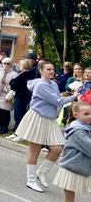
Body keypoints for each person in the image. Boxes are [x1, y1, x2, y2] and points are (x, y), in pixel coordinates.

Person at [16, 61, 78, 193]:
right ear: (41, 71)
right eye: (48, 69)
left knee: (57, 148)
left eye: (53, 69)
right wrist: (75, 96)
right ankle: (31, 180)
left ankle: (41, 172)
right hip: (37, 118)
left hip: (50, 120)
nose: (52, 71)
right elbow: (56, 100)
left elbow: (58, 99)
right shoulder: (40, 85)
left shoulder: (54, 83)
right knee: (35, 151)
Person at [54, 101, 91, 202]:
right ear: (76, 115)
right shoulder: (77, 131)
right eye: (86, 114)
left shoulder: (87, 128)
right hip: (72, 169)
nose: (89, 116)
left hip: (86, 168)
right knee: (69, 201)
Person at [10, 58, 36, 135]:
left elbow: (13, 84)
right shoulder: (29, 74)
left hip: (21, 96)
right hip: (25, 96)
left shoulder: (24, 74)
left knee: (19, 114)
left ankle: (19, 131)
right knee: (21, 113)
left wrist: (12, 82)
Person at [0, 58, 17, 135]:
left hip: (7, 95)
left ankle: (5, 127)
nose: (6, 65)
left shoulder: (14, 74)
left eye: (8, 63)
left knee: (6, 112)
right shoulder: (1, 72)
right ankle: (1, 126)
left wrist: (8, 92)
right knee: (1, 111)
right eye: (4, 63)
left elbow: (14, 87)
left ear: (11, 65)